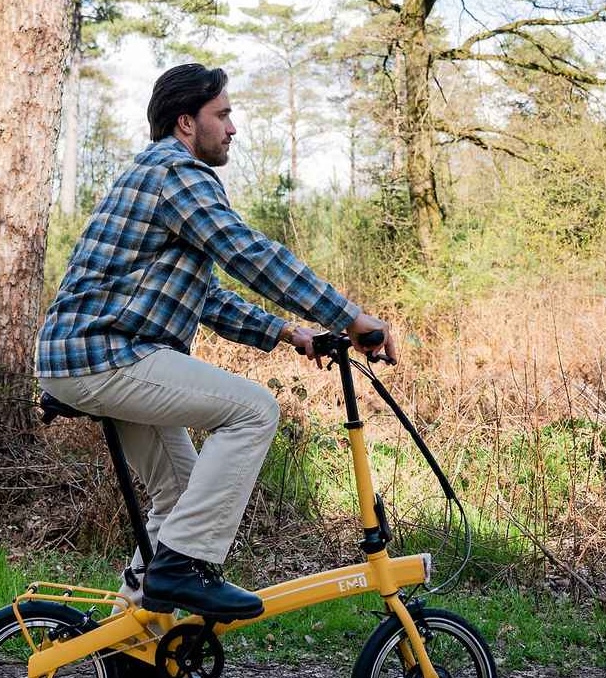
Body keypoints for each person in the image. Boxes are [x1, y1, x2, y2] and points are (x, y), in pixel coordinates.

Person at [36, 62, 396, 620]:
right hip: (106, 354)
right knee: (254, 410)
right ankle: (185, 569)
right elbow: (248, 254)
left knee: (180, 495)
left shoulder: (160, 175)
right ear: (186, 122)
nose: (232, 128)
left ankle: (135, 632)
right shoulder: (178, 174)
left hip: (102, 355)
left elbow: (204, 294)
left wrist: (284, 330)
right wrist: (350, 317)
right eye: (222, 115)